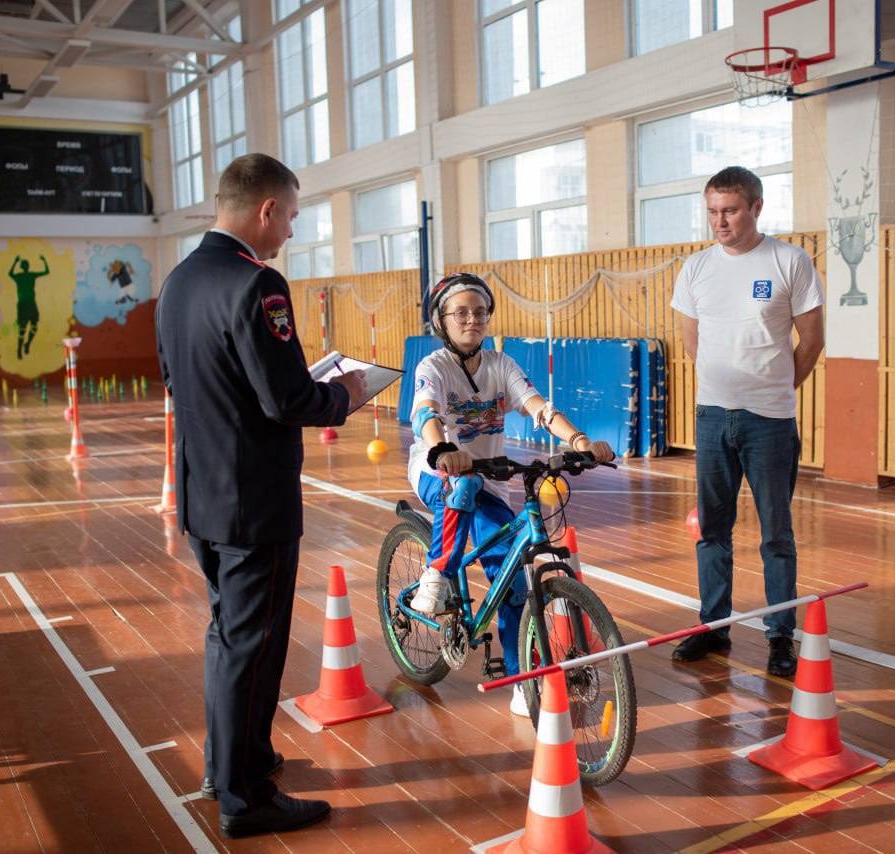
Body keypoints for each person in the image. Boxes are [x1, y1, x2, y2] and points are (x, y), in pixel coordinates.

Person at [155, 153, 365, 839]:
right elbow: (285, 397)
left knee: (228, 636)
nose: (292, 235)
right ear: (266, 210)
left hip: (204, 496)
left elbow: (180, 383)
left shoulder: (179, 284)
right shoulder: (258, 284)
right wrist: (344, 395)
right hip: (254, 502)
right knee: (255, 643)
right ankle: (245, 798)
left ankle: (234, 759)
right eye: (293, 218)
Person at [407, 273, 615, 714]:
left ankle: (524, 682)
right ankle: (436, 573)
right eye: (460, 313)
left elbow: (538, 406)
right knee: (463, 484)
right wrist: (442, 448)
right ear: (441, 322)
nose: (471, 320)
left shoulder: (500, 364)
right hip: (438, 473)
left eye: (479, 312)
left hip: (491, 480)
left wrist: (578, 442)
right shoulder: (434, 368)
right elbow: (425, 412)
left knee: (514, 584)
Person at [669, 166, 825, 679]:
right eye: (712, 211)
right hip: (713, 417)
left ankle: (781, 636)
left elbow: (812, 340)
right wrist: (724, 388)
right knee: (713, 530)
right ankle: (713, 626)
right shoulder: (695, 269)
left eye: (730, 210)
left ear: (756, 206)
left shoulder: (789, 261)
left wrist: (776, 389)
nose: (720, 221)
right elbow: (693, 343)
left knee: (776, 534)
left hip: (770, 423)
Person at [8, 254, 49, 359]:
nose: (26, 266)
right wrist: (15, 261)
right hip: (23, 304)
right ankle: (19, 349)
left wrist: (44, 260)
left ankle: (27, 344)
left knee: (34, 327)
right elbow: (10, 273)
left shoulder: (31, 275)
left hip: (31, 304)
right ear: (22, 267)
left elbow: (46, 272)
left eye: (26, 264)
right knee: (22, 329)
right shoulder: (19, 276)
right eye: (24, 264)